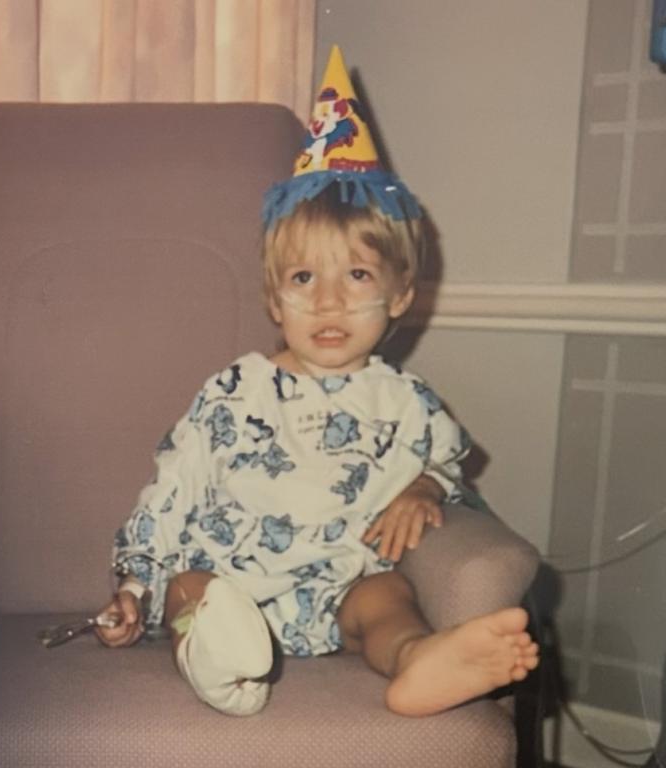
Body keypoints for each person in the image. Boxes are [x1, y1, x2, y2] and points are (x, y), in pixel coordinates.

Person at [95, 46, 539, 718]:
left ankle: (417, 659)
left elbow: (445, 460)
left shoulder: (404, 402)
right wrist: (131, 586)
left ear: (396, 297)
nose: (328, 303)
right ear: (275, 300)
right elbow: (171, 492)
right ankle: (217, 660)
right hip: (226, 585)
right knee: (191, 589)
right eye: (304, 279)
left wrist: (422, 486)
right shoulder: (232, 392)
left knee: (386, 600)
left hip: (335, 591)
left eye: (356, 277)